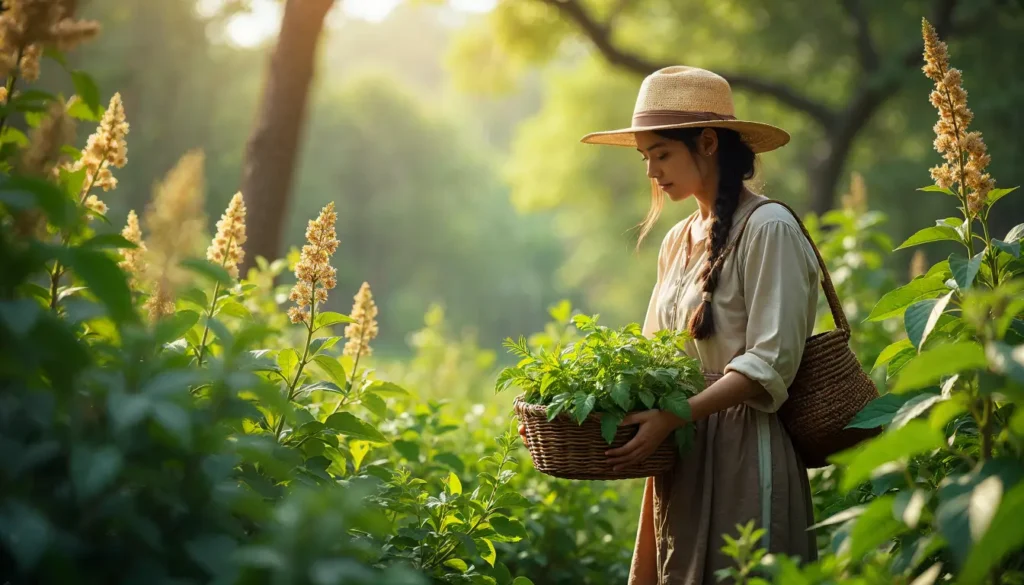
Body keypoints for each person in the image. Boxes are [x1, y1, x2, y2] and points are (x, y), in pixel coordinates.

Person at [521, 65, 820, 584]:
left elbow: (772, 363)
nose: (651, 172)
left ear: (707, 143)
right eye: (645, 158)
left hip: (746, 449)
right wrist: (570, 412)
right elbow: (651, 359)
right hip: (680, 450)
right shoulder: (677, 240)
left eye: (661, 154)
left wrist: (678, 416)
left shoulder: (769, 228)